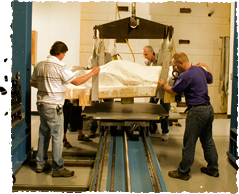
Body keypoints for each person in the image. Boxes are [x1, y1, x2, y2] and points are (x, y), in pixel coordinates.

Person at [30, 41, 100, 177]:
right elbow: (77, 82)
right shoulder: (60, 66)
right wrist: (93, 72)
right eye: (64, 54)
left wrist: (47, 86)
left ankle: (41, 164)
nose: (64, 57)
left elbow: (32, 82)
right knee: (57, 136)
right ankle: (57, 168)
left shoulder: (40, 65)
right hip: (54, 106)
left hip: (41, 105)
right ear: (61, 54)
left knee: (44, 134)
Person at [157, 52, 219, 180]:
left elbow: (173, 90)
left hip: (197, 112)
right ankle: (213, 169)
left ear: (181, 63)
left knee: (189, 143)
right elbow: (211, 79)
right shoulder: (199, 70)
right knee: (208, 141)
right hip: (209, 109)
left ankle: (183, 172)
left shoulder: (185, 75)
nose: (174, 68)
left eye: (175, 65)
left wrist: (162, 85)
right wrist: (206, 66)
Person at [142, 45, 170, 141]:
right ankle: (149, 129)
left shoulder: (162, 58)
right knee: (151, 109)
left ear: (151, 52)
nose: (145, 57)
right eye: (144, 55)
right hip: (154, 89)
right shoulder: (148, 63)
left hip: (163, 88)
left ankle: (165, 132)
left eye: (146, 54)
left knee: (164, 111)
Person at [87, 50, 114, 138]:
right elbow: (90, 70)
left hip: (107, 84)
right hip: (95, 84)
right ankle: (93, 128)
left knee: (108, 106)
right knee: (93, 107)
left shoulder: (109, 56)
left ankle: (106, 126)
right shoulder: (92, 58)